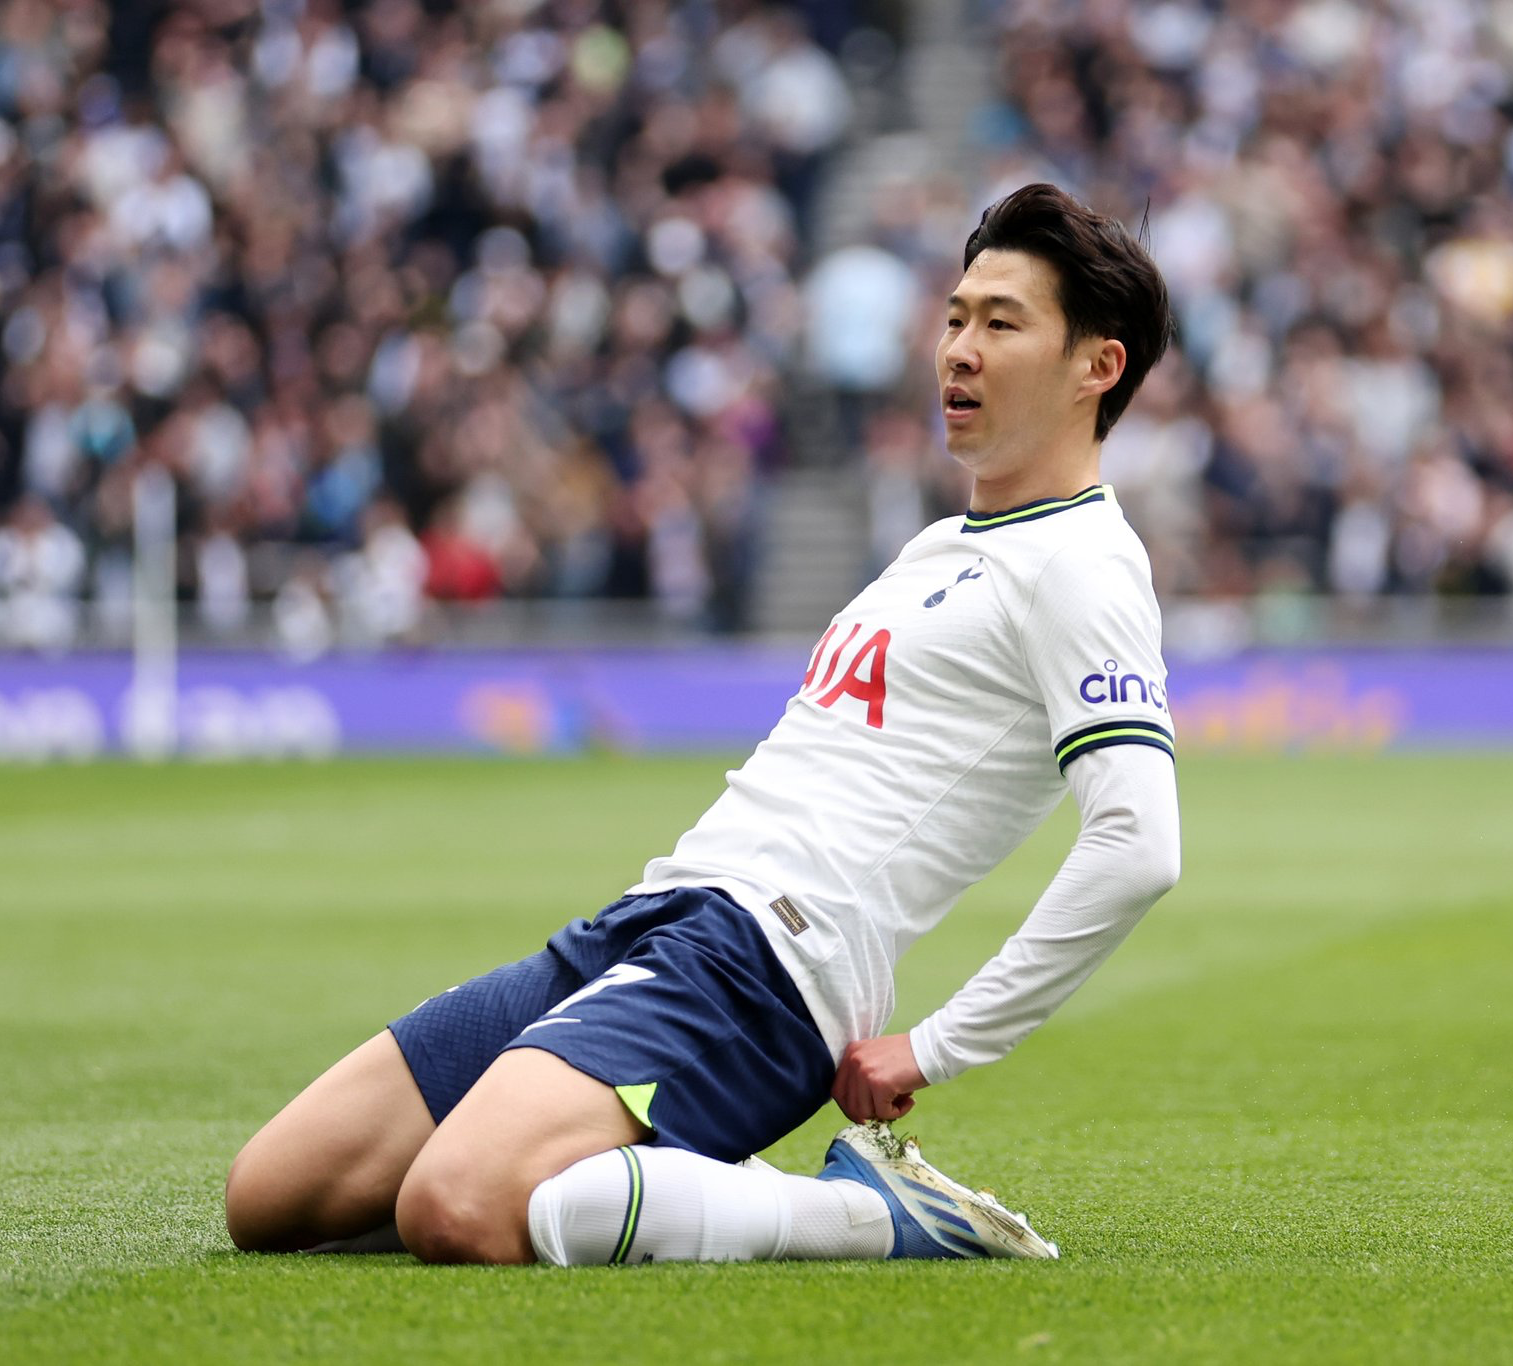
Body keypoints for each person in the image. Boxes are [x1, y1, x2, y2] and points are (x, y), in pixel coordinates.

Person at [225, 184, 1183, 1266]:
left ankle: (867, 1214)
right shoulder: (938, 548)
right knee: (272, 1195)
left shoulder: (1083, 564)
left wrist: (935, 1045)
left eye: (1001, 324)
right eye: (956, 316)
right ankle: (625, 1179)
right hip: (654, 917)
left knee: (454, 1206)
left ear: (1096, 367)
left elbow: (1137, 845)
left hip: (769, 969)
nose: (957, 349)